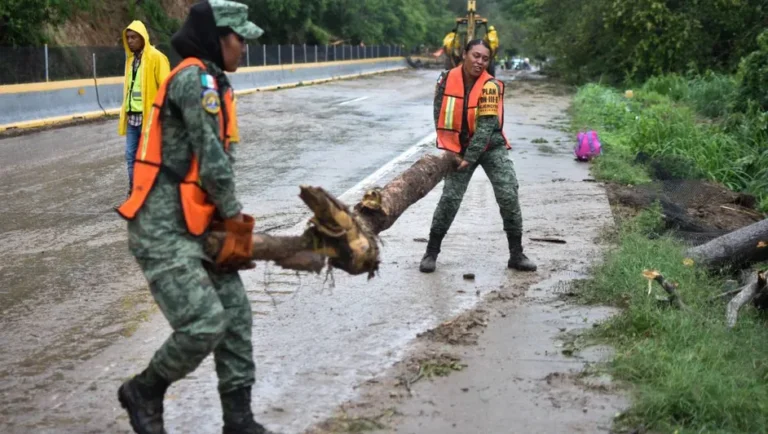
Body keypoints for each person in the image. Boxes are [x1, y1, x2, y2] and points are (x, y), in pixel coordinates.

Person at [115, 1, 268, 433]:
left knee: (236, 316)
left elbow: (208, 171)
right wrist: (235, 221)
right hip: (162, 229)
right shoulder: (195, 81)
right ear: (217, 38)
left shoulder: (215, 81)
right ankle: (144, 389)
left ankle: (238, 420)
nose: (245, 48)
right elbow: (214, 161)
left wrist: (222, 224)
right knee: (204, 323)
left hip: (197, 225)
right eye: (240, 39)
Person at [420, 39, 537, 274]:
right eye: (476, 55)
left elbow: (485, 128)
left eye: (485, 58)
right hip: (459, 148)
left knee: (507, 194)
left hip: (490, 147)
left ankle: (516, 254)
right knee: (450, 198)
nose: (480, 62)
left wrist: (470, 158)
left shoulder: (490, 86)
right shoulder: (445, 80)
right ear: (464, 54)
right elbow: (438, 113)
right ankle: (431, 253)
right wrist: (449, 146)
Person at [119, 20, 170, 194]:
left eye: (134, 37)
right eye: (128, 38)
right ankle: (135, 193)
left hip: (150, 117)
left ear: (143, 38)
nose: (130, 41)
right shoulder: (131, 61)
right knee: (131, 156)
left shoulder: (156, 57)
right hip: (133, 117)